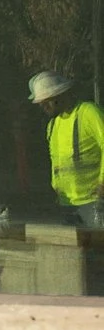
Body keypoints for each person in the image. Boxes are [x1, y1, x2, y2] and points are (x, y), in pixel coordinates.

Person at [31, 72, 104, 229]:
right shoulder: (53, 125)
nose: (43, 106)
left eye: (47, 101)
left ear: (61, 94)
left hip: (94, 201)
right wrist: (56, 186)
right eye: (41, 103)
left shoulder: (88, 112)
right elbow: (56, 161)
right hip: (67, 203)